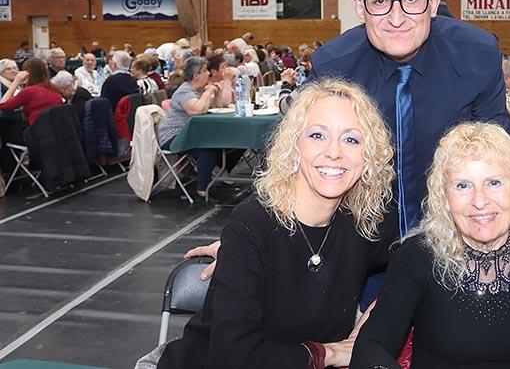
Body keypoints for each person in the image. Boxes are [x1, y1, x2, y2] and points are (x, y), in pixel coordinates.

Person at [188, 0, 510, 287]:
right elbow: (296, 161)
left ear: (433, 1)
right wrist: (249, 241)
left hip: (458, 246)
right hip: (361, 250)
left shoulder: (477, 55)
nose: (397, 18)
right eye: (380, 2)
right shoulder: (334, 65)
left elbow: (502, 163)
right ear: (360, 6)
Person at [140, 79, 398, 369]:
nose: (334, 152)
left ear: (368, 157)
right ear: (294, 147)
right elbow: (234, 357)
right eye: (317, 135)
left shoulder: (363, 223)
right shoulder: (253, 223)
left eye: (351, 139)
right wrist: (330, 353)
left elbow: (420, 256)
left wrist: (377, 315)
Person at [350, 122, 510, 368]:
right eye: (463, 186)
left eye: (494, 183)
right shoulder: (417, 255)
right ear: (445, 199)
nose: (480, 201)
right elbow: (371, 345)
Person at [157, 57, 220, 199]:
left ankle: (219, 174)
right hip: (174, 136)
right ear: (196, 75)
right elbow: (197, 110)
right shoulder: (184, 92)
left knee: (225, 142)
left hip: (190, 134)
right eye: (205, 71)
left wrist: (217, 92)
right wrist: (208, 92)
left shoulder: (199, 90)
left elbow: (219, 106)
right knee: (209, 147)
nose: (209, 73)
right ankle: (203, 188)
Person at [0, 58, 62, 125]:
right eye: (8, 69)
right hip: (54, 127)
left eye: (15, 68)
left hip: (37, 128)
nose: (13, 71)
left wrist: (16, 82)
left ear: (26, 73)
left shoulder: (29, 91)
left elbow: (3, 106)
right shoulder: (54, 89)